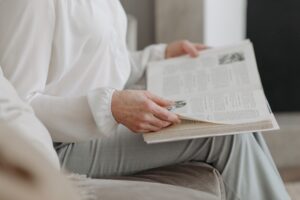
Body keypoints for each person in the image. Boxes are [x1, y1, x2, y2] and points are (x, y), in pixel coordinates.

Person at [0, 0, 290, 199]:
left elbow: (97, 64)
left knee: (239, 121)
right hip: (57, 148)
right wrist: (110, 106)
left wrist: (160, 56)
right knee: (225, 137)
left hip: (97, 128)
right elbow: (18, 106)